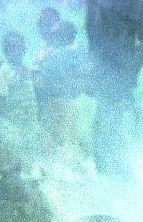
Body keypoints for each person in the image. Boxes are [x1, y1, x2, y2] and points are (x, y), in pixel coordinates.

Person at [86, 0, 143, 175]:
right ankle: (111, 170)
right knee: (105, 121)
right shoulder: (93, 5)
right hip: (102, 73)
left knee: (109, 122)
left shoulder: (128, 3)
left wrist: (133, 64)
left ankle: (118, 172)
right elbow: (93, 40)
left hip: (119, 73)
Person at [37, 21, 86, 155]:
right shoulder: (80, 51)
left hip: (58, 101)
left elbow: (46, 77)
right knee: (68, 137)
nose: (53, 38)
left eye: (56, 34)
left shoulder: (58, 54)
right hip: (69, 100)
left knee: (58, 139)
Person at [0, 32, 37, 131]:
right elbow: (2, 102)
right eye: (12, 48)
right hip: (12, 126)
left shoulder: (29, 71)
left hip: (31, 124)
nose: (16, 51)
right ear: (6, 51)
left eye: (19, 47)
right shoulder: (3, 72)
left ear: (24, 49)